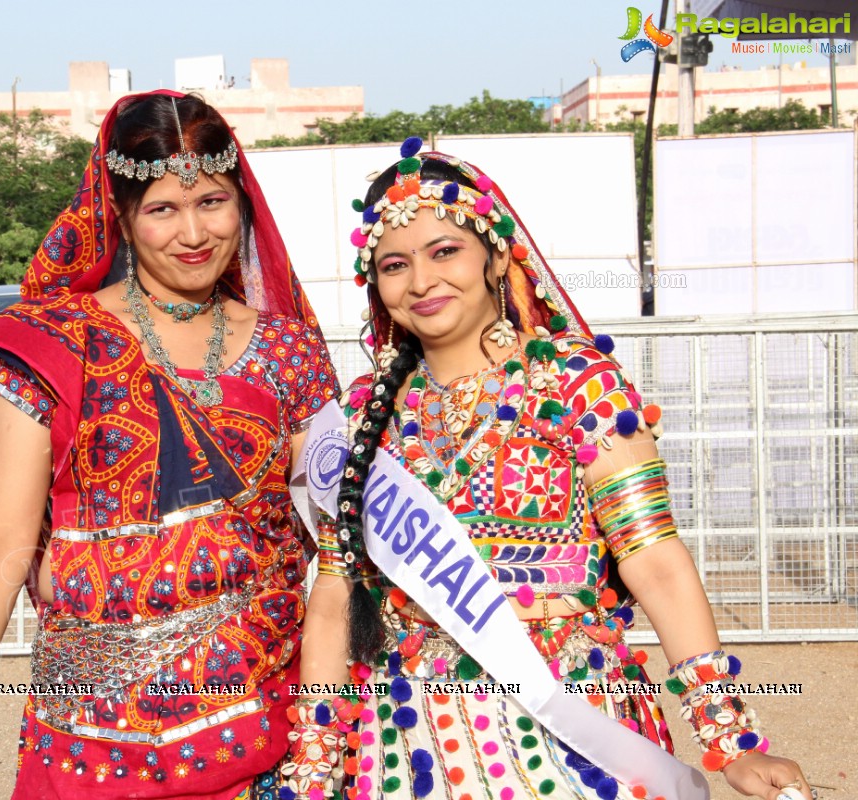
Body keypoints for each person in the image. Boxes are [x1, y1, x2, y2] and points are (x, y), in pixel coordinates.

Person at [283, 141, 811, 800]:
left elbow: (655, 561)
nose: (421, 281)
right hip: (411, 741)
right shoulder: (364, 417)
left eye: (445, 251)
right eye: (395, 264)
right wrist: (314, 758)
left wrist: (729, 739)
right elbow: (334, 605)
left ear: (497, 255)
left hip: (578, 725)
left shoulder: (575, 383)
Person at [0, 91, 338, 800]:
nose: (194, 232)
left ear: (242, 202)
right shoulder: (51, 345)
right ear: (120, 216)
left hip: (264, 741)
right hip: (87, 749)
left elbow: (335, 553)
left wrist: (324, 737)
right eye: (163, 209)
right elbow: (4, 535)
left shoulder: (288, 351)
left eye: (212, 201)